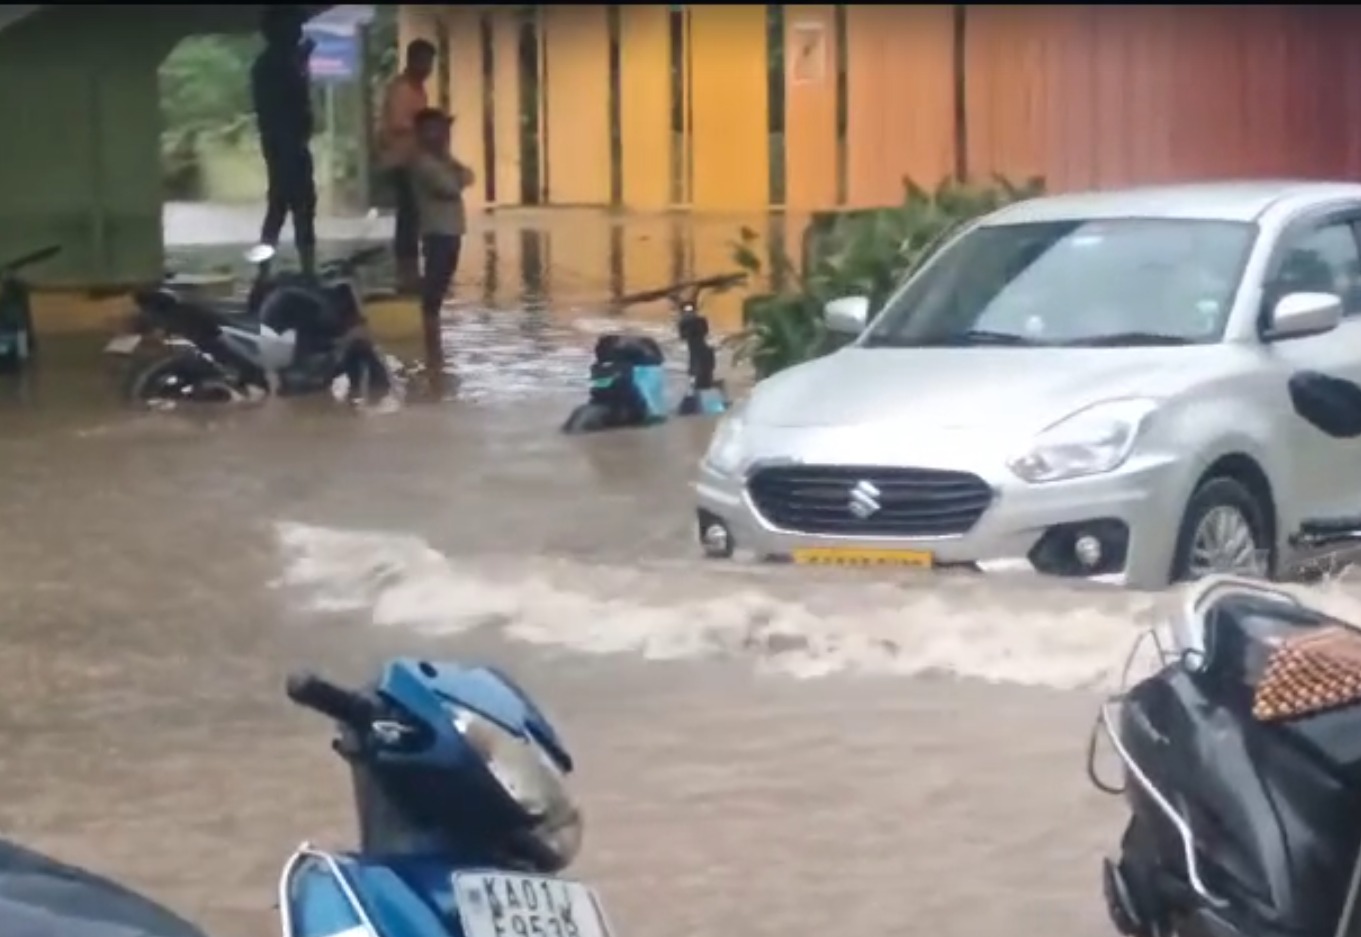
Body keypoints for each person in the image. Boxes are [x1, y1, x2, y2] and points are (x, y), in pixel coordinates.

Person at [410, 108, 474, 392]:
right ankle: (431, 353)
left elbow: (469, 176)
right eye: (436, 129)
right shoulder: (424, 163)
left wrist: (455, 170)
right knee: (433, 291)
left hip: (450, 232)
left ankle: (434, 352)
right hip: (438, 233)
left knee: (439, 289)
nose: (443, 136)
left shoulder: (442, 160)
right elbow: (452, 185)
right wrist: (456, 173)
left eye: (445, 130)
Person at [251, 5, 317, 276]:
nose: (298, 32)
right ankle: (301, 271)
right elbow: (284, 107)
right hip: (286, 144)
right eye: (293, 27)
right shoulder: (273, 65)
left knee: (288, 207)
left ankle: (271, 271)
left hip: (289, 144)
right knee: (290, 206)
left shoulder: (280, 62)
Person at [378, 39, 437, 293]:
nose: (428, 68)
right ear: (413, 60)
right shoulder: (401, 90)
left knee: (412, 214)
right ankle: (406, 271)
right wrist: (426, 128)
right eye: (424, 61)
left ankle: (410, 269)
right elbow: (398, 123)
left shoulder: (419, 90)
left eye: (430, 63)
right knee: (408, 214)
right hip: (400, 159)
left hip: (415, 159)